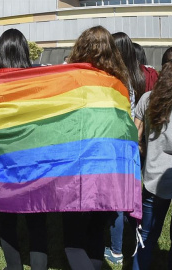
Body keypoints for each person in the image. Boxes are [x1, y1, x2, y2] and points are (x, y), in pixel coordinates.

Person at [62, 25, 141, 270]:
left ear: (80, 48)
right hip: (109, 169)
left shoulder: (69, 80)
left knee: (73, 241)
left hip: (76, 169)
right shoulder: (120, 83)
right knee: (96, 233)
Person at [0, 29, 48, 270]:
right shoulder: (40, 81)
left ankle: (13, 267)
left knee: (6, 223)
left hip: (2, 164)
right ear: (24, 50)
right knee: (37, 224)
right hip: (35, 163)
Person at [133, 46, 172, 270]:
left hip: (154, 176)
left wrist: (148, 149)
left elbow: (134, 137)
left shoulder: (148, 98)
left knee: (146, 236)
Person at [103, 32, 146, 265]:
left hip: (114, 144)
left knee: (116, 201)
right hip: (131, 143)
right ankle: (134, 237)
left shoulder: (116, 80)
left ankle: (116, 250)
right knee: (129, 194)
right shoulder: (136, 78)